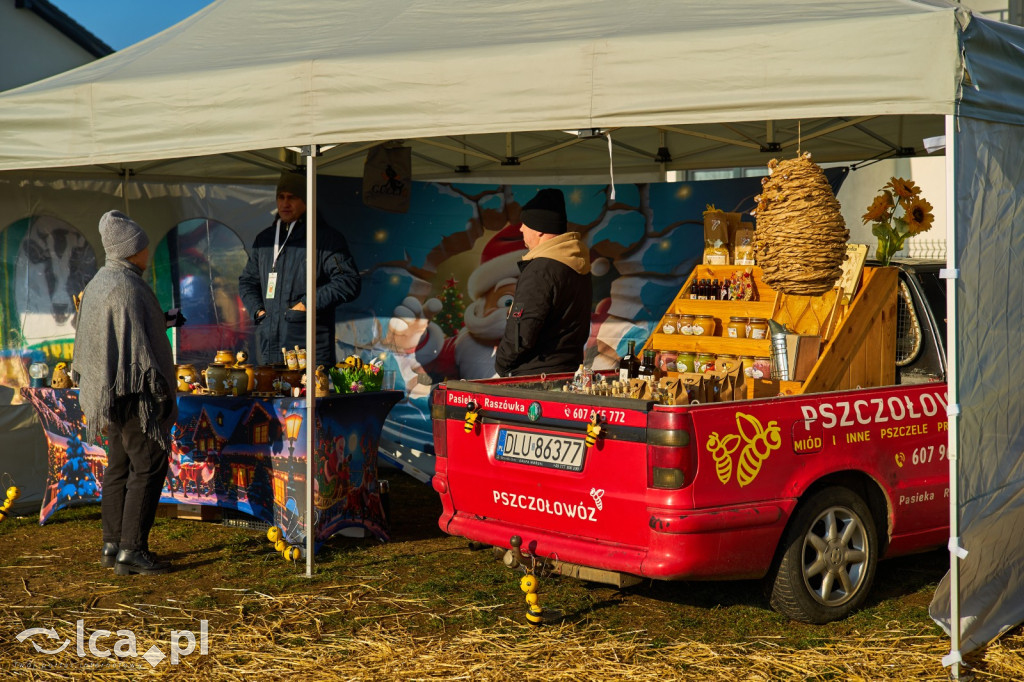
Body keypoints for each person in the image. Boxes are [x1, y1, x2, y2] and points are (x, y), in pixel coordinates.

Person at [73, 211, 178, 575]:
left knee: (118, 465)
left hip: (108, 389)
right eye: (143, 245)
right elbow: (136, 349)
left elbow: (117, 333)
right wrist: (158, 391)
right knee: (148, 464)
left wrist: (161, 319)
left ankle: (112, 544)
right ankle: (133, 550)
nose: (147, 250)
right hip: (134, 391)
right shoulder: (127, 286)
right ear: (132, 249)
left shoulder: (101, 282)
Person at [239, 171, 361, 368]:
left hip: (309, 350)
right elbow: (247, 281)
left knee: (305, 399)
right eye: (281, 197)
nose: (285, 203)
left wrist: (306, 304)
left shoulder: (324, 239)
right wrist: (258, 311)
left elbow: (348, 281)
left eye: (292, 197)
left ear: (306, 201)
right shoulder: (265, 240)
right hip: (269, 347)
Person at [495, 188, 592, 376]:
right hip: (567, 372)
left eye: (525, 223)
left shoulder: (540, 270)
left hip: (534, 377)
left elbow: (522, 328)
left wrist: (502, 364)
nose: (521, 228)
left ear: (539, 229)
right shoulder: (576, 264)